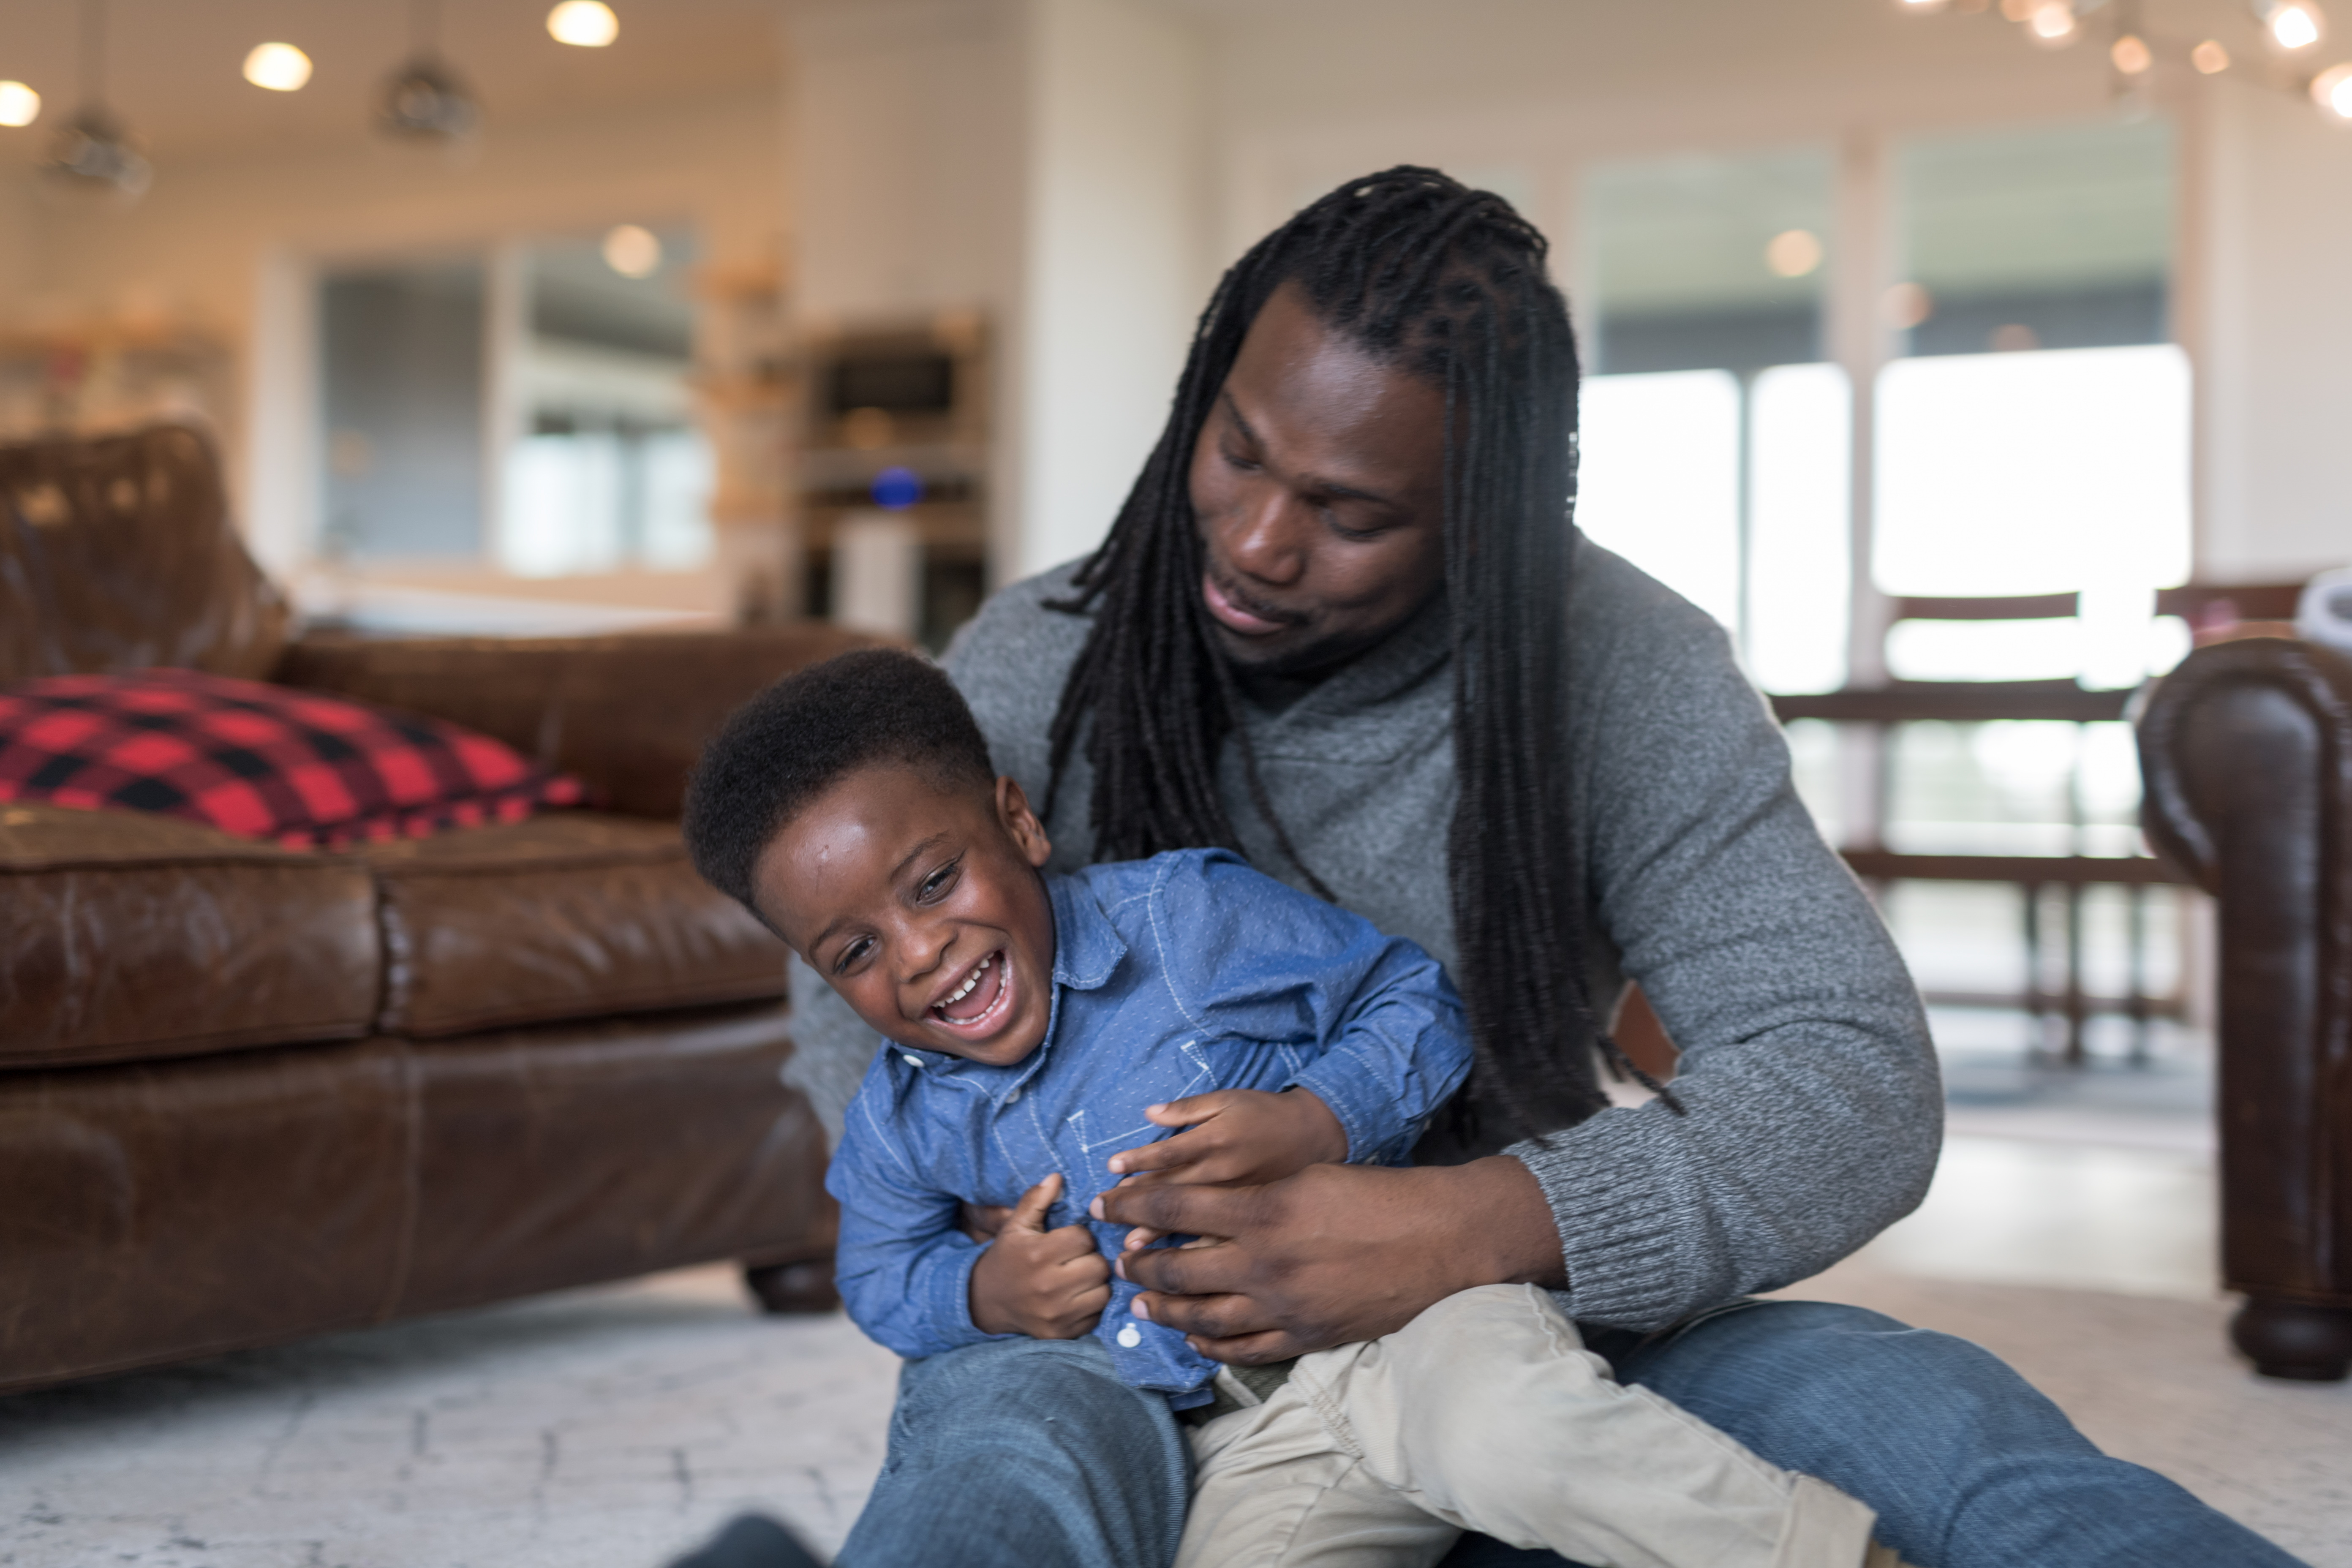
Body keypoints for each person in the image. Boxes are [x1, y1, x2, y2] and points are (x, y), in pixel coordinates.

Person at [772, 167, 2305, 1568]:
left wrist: (1478, 1220)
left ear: (1486, 523)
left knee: (1922, 1421)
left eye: (1350, 512)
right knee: (1000, 1464)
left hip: (1506, 1322)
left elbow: (1849, 1073)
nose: (1250, 540)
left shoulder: (1619, 666)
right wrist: (1013, 1225)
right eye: (1234, 449)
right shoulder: (1047, 659)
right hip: (1107, 1343)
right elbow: (847, 977)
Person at [683, 647, 1899, 1568]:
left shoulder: (1190, 921)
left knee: (1513, 1434)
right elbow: (876, 1271)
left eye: (935, 881)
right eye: (853, 951)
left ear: (1018, 820)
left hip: (1405, 1325)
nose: (920, 954)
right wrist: (978, 1292)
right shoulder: (906, 1116)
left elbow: (1412, 1000)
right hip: (1230, 1430)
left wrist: (1322, 1118)